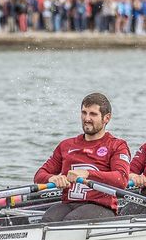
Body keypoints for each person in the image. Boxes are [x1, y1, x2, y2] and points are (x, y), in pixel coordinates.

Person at [34, 92, 131, 222]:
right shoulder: (66, 145)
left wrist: (87, 174)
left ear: (106, 118)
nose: (87, 118)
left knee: (72, 220)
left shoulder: (117, 145)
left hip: (101, 207)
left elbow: (122, 179)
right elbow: (39, 176)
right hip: (69, 204)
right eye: (84, 113)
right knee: (48, 218)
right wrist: (53, 178)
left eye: (93, 114)